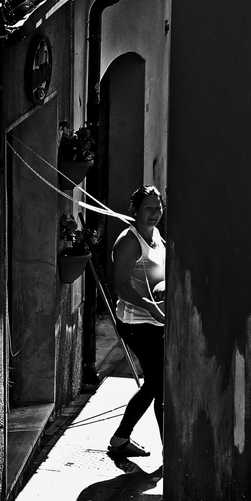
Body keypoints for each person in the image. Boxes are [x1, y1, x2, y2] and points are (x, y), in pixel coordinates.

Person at [108, 185, 165, 459]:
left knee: (158, 382)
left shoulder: (156, 236)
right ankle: (171, 452)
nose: (154, 214)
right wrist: (150, 309)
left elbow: (157, 273)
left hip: (157, 322)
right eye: (148, 209)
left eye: (158, 208)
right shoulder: (129, 241)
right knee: (160, 381)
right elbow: (119, 286)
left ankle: (121, 439)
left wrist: (163, 287)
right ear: (135, 211)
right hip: (135, 323)